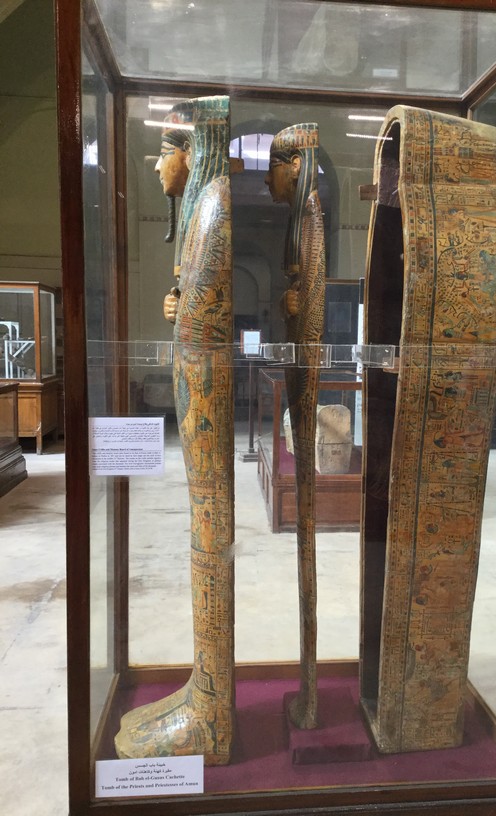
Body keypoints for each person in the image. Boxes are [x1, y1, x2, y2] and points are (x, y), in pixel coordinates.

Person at [115, 96, 235, 765]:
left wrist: (185, 306)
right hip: (197, 396)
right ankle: (205, 693)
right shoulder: (203, 208)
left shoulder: (213, 206)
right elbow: (197, 304)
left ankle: (212, 716)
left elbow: (209, 313)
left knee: (209, 539)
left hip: (206, 401)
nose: (156, 167)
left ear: (190, 152)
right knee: (202, 536)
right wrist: (177, 303)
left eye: (163, 153)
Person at [265, 123, 325, 729]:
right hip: (299, 368)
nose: (268, 180)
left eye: (274, 168)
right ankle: (306, 692)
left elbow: (313, 307)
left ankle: (311, 697)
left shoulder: (311, 221)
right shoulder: (301, 223)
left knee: (307, 513)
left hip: (308, 377)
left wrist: (298, 305)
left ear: (295, 166)